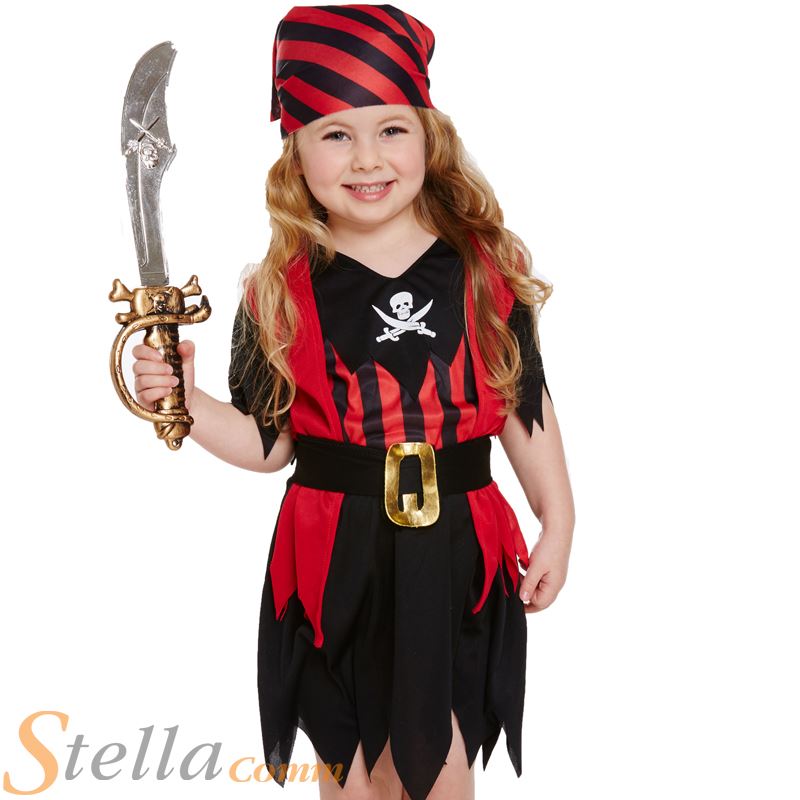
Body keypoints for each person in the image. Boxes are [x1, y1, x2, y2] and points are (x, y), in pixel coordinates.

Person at [131, 4, 575, 799]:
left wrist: (559, 520)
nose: (367, 158)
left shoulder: (486, 269)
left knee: (439, 758)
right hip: (334, 550)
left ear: (428, 136)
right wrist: (187, 402)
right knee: (353, 770)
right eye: (336, 134)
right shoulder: (278, 291)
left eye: (390, 130)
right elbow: (269, 445)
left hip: (456, 544)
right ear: (295, 153)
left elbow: (524, 405)